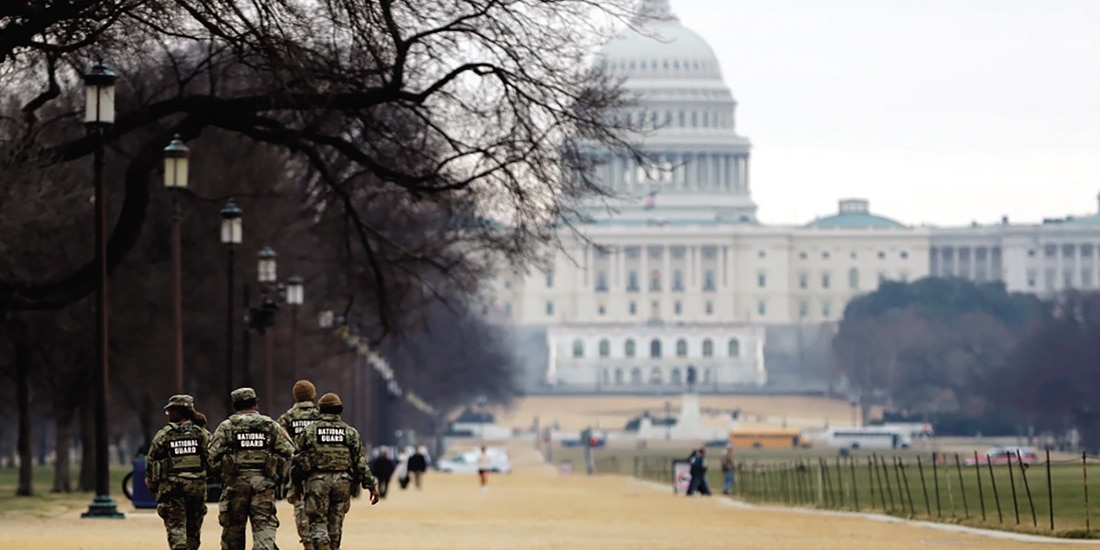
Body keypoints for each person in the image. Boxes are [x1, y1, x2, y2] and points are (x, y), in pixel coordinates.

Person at [208, 387, 295, 550]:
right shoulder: (270, 425)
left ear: (235, 405)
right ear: (255, 404)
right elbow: (291, 452)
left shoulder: (227, 427)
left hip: (235, 485)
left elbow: (210, 456)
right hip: (263, 486)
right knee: (264, 533)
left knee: (233, 535)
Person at [292, 393, 378, 550]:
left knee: (318, 520)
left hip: (317, 480)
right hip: (343, 481)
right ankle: (332, 545)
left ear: (320, 410)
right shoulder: (350, 432)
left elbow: (297, 460)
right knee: (336, 521)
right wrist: (371, 485)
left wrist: (297, 484)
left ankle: (322, 543)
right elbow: (360, 462)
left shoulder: (309, 431)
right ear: (340, 410)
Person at [146, 394, 211, 550]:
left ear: (177, 411)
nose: (168, 414)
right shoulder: (201, 433)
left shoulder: (165, 434)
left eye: (170, 411)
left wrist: (152, 486)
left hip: (171, 488)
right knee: (193, 530)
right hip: (196, 487)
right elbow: (211, 458)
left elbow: (151, 462)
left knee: (176, 528)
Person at [277, 380, 321, 550]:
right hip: (319, 470)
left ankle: (308, 543)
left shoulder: (287, 417)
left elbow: (278, 443)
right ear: (313, 395)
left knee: (301, 508)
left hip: (296, 471)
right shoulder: (320, 415)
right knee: (321, 510)